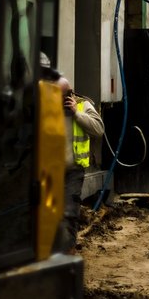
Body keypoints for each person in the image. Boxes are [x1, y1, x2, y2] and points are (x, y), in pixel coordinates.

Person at [53, 76, 104, 253]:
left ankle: (68, 252)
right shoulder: (46, 107)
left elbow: (98, 129)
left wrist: (76, 113)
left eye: (61, 96)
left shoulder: (82, 106)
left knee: (68, 212)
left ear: (69, 94)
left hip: (73, 171)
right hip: (49, 171)